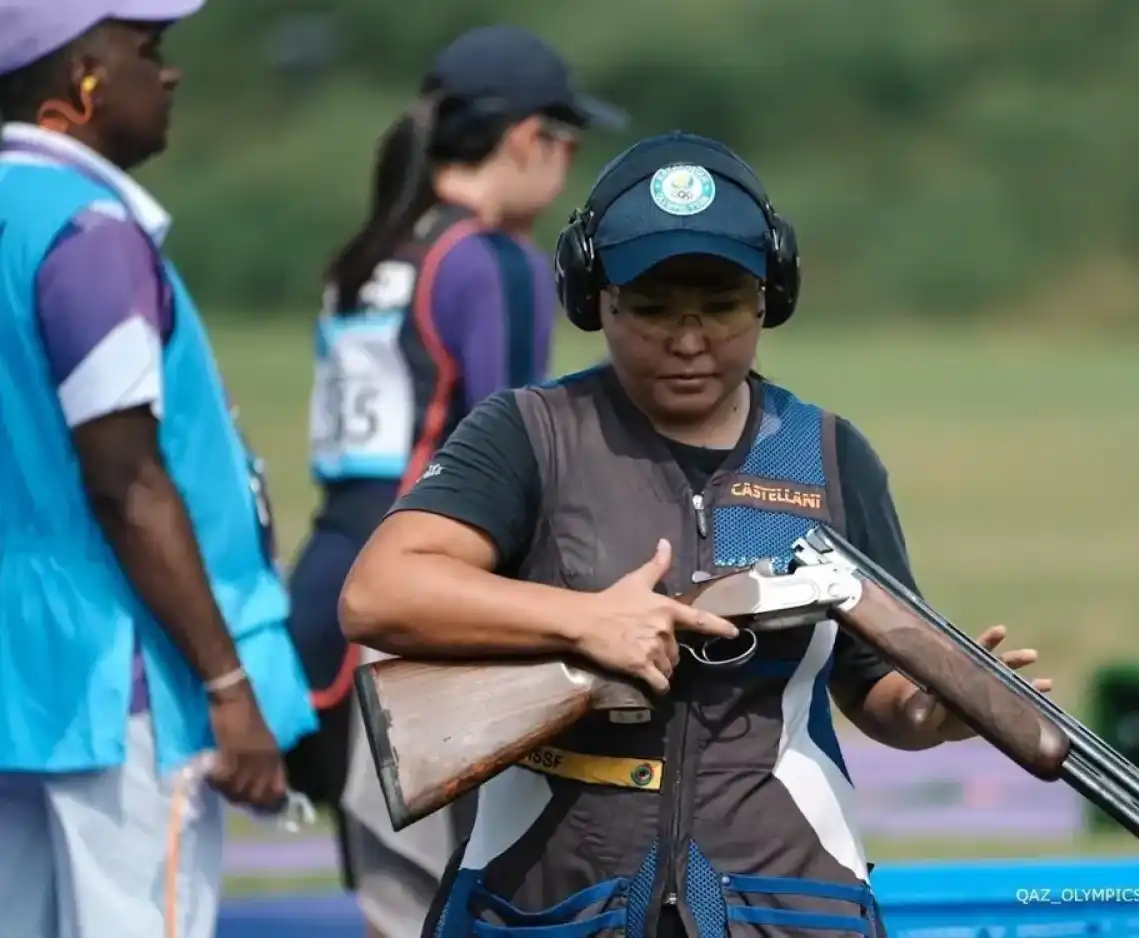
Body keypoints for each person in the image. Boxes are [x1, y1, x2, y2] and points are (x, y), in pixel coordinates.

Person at [338, 130, 1054, 938]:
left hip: (780, 900)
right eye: (650, 310)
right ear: (595, 299)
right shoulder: (529, 433)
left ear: (766, 300)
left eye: (719, 308)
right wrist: (586, 621)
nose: (687, 341)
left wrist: (930, 711)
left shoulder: (825, 453)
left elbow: (873, 685)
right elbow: (379, 592)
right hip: (552, 897)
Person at [279, 23, 628, 938]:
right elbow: (520, 463)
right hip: (426, 618)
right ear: (526, 140)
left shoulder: (369, 255)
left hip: (324, 604)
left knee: (393, 911)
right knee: (466, 909)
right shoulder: (491, 262)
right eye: (567, 146)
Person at [0, 4, 318, 938]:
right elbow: (125, 481)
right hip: (127, 678)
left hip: (22, 679)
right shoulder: (89, 233)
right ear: (83, 77)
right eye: (150, 50)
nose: (169, 74)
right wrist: (228, 687)